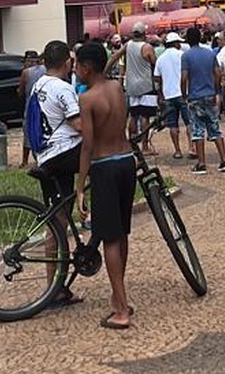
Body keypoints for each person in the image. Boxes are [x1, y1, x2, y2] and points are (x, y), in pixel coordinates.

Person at [75, 41, 137, 330]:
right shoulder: (116, 88)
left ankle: (121, 309)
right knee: (121, 233)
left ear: (86, 68)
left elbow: (87, 145)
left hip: (104, 166)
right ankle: (118, 296)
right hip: (126, 160)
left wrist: (80, 186)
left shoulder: (87, 99)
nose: (75, 70)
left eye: (78, 65)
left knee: (109, 238)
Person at [29, 39, 84, 307]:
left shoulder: (38, 84)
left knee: (57, 222)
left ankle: (54, 287)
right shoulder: (63, 88)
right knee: (103, 158)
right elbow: (78, 124)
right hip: (64, 153)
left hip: (46, 155)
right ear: (67, 63)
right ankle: (93, 206)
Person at [181, 27, 225, 174]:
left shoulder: (186, 56)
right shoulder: (210, 53)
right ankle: (224, 160)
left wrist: (184, 95)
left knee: (197, 130)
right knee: (215, 128)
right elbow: (217, 73)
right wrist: (216, 90)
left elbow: (184, 77)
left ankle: (201, 163)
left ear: (187, 40)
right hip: (210, 94)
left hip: (195, 96)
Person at [117, 23, 158, 154]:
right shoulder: (147, 47)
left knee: (133, 116)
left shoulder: (127, 45)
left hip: (131, 86)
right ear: (143, 34)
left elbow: (114, 57)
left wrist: (105, 72)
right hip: (146, 85)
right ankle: (145, 146)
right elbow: (155, 63)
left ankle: (131, 145)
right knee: (145, 116)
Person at [153, 32, 192, 160]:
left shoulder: (160, 58)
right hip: (183, 93)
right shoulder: (182, 55)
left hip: (168, 94)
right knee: (189, 123)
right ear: (175, 43)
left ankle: (177, 150)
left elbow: (156, 78)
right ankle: (192, 147)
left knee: (173, 124)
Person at [18, 50, 45, 167]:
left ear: (28, 61)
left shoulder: (26, 73)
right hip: (44, 106)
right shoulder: (45, 70)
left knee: (28, 133)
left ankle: (24, 161)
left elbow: (21, 92)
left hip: (30, 108)